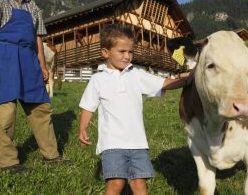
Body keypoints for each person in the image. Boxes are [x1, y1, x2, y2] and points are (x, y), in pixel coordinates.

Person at [78, 24, 193, 194]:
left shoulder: (136, 75)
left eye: (130, 52)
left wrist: (188, 79)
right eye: (122, 51)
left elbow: (163, 83)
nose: (127, 56)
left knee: (139, 184)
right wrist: (83, 127)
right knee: (116, 183)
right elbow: (88, 106)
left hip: (138, 143)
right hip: (112, 143)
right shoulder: (98, 79)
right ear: (105, 52)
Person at [0, 0, 65, 174]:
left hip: (28, 60)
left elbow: (37, 38)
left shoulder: (31, 5)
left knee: (41, 108)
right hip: (4, 59)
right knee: (5, 114)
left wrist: (42, 65)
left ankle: (51, 156)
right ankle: (9, 162)